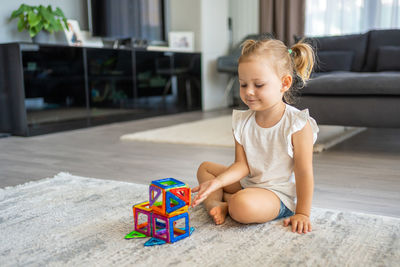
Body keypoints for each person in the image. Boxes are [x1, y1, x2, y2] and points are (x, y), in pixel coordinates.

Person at [191, 37, 319, 234]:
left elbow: (304, 173)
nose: (249, 92)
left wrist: (303, 212)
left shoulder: (298, 124)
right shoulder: (242, 121)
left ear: (284, 83)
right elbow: (242, 166)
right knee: (206, 168)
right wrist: (219, 182)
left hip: (275, 196)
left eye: (258, 85)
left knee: (242, 205)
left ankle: (228, 203)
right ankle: (215, 204)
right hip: (247, 184)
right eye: (243, 84)